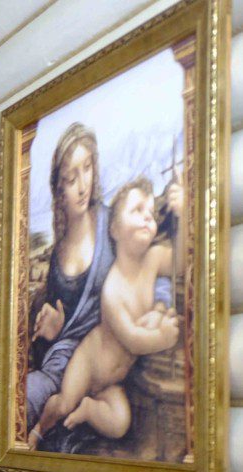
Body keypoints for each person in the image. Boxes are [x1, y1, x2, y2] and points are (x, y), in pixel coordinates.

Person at [27, 178, 179, 448]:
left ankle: (88, 409)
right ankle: (39, 429)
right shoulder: (113, 288)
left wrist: (184, 212)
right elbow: (133, 340)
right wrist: (163, 338)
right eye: (137, 210)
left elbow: (183, 261)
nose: (147, 217)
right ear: (115, 229)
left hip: (112, 382)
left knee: (119, 423)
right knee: (63, 404)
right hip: (88, 364)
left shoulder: (154, 258)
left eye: (151, 213)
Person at [25, 123, 115, 432]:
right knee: (27, 397)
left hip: (105, 358)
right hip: (61, 368)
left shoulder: (110, 225)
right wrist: (52, 331)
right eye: (71, 178)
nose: (82, 186)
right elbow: (53, 339)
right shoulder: (57, 255)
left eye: (87, 168)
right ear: (59, 191)